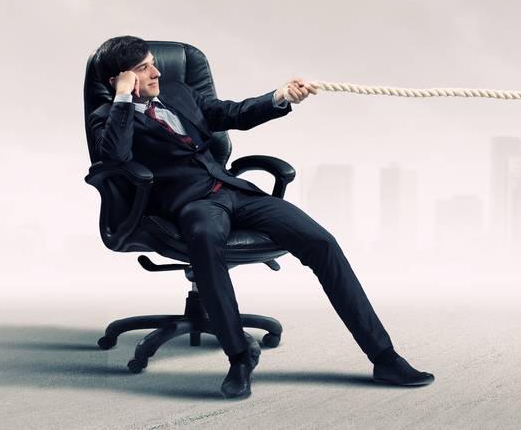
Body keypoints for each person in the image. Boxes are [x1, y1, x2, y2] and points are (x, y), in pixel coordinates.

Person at [87, 36, 435, 399]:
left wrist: (279, 97)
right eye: (144, 68)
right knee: (207, 248)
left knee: (322, 243)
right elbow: (115, 157)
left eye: (153, 62)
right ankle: (239, 357)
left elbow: (229, 113)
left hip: (234, 190)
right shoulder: (107, 118)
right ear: (119, 79)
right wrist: (124, 99)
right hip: (190, 205)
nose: (157, 71)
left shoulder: (176, 91)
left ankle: (384, 356)